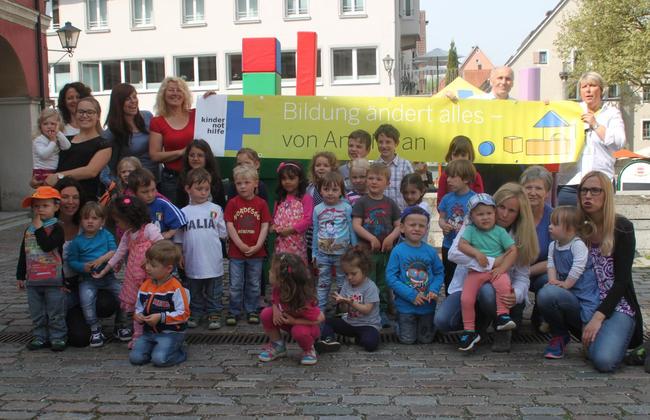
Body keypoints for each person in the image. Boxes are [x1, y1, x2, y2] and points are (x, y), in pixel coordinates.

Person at [537, 171, 643, 372]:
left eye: (595, 191)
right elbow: (555, 258)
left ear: (607, 195)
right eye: (584, 190)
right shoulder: (577, 228)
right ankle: (562, 335)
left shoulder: (622, 228)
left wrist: (598, 317)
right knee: (547, 292)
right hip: (583, 299)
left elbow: (622, 282)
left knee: (603, 361)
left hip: (615, 306)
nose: (588, 196)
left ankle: (617, 343)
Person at [435, 183, 539, 353]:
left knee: (488, 291)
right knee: (442, 321)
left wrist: (517, 295)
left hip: (501, 291)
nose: (504, 214)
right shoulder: (473, 223)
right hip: (471, 284)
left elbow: (522, 276)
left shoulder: (520, 235)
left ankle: (503, 327)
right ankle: (478, 324)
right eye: (501, 207)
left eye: (511, 211)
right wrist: (490, 262)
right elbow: (454, 253)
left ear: (520, 214)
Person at [94, 195, 163, 348]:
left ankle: (155, 333)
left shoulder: (149, 229)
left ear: (129, 218)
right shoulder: (127, 235)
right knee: (137, 308)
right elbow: (119, 253)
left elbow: (162, 245)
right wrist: (105, 269)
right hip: (133, 278)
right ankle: (138, 336)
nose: (117, 224)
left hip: (150, 278)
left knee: (152, 306)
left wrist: (150, 257)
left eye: (118, 221)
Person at [457, 194, 518, 351]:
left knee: (504, 284)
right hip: (476, 272)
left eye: (489, 213)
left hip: (494, 271)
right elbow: (462, 245)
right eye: (480, 214)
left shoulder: (499, 232)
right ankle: (469, 331)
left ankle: (502, 316)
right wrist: (477, 254)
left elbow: (513, 250)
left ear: (494, 214)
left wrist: (502, 268)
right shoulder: (471, 230)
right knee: (466, 299)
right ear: (472, 216)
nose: (485, 217)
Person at [557, 72, 626, 206]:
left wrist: (595, 125)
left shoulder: (612, 113)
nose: (588, 90)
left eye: (593, 85)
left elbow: (619, 143)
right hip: (570, 182)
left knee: (597, 225)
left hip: (600, 183)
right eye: (584, 87)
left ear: (601, 90)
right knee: (567, 225)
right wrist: (546, 106)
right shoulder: (571, 111)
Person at [541, 206, 600, 359]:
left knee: (588, 315)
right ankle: (559, 333)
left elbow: (578, 267)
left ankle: (588, 338)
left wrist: (567, 284)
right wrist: (552, 280)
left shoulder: (577, 244)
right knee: (546, 294)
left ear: (570, 229)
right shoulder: (553, 245)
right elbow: (551, 264)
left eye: (555, 224)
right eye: (550, 223)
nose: (550, 226)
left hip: (584, 290)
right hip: (568, 288)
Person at [67, 202, 127, 347]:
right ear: (81, 221)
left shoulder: (106, 235)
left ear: (102, 221)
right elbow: (71, 260)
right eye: (86, 218)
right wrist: (83, 267)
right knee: (86, 301)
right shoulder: (77, 241)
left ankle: (120, 325)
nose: (90, 221)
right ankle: (94, 328)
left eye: (94, 218)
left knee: (124, 296)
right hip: (87, 279)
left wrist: (101, 260)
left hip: (108, 277)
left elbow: (114, 251)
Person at [174, 168, 227, 330]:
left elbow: (223, 233)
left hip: (213, 259)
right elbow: (178, 238)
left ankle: (214, 312)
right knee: (194, 288)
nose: (203, 192)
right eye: (199, 189)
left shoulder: (215, 209)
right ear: (187, 188)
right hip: (193, 259)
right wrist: (179, 255)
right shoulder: (183, 212)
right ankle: (196, 312)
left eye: (206, 189)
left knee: (214, 289)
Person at [16, 186, 67, 351]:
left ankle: (58, 337)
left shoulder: (58, 228)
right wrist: (20, 275)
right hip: (33, 280)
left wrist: (39, 229)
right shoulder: (29, 230)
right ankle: (39, 336)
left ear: (56, 207)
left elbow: (48, 245)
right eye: (37, 206)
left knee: (55, 312)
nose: (40, 210)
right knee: (37, 312)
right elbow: (24, 253)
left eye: (45, 206)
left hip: (53, 280)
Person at [352, 162, 401, 324]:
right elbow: (356, 225)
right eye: (370, 178)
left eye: (378, 179)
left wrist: (390, 238)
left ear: (387, 183)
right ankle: (369, 311)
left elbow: (399, 225)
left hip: (385, 253)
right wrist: (371, 238)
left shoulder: (390, 203)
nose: (373, 181)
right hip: (367, 254)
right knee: (368, 282)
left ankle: (383, 311)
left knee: (384, 282)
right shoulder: (361, 203)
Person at [387, 206, 444, 344]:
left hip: (427, 305)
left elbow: (439, 272)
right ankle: (397, 325)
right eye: (412, 225)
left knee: (426, 340)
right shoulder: (398, 251)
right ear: (402, 228)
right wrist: (411, 295)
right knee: (408, 340)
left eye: (421, 226)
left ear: (426, 229)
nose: (417, 228)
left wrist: (434, 289)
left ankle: (433, 326)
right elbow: (391, 278)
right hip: (406, 306)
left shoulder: (430, 251)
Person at [129, 240, 190, 367]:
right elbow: (139, 308)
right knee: (136, 358)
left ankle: (179, 352)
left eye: (153, 265)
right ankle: (158, 349)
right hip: (149, 333)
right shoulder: (145, 285)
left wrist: (161, 317)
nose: (147, 268)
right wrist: (138, 316)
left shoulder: (176, 288)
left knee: (159, 360)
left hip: (171, 334)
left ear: (168, 269)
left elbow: (184, 314)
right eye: (147, 263)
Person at [224, 165, 271, 326]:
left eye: (246, 182)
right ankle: (234, 310)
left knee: (254, 283)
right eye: (238, 183)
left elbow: (265, 225)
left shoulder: (261, 204)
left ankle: (252, 309)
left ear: (255, 183)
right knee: (235, 284)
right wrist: (240, 244)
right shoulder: (232, 203)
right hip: (237, 252)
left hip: (256, 253)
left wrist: (258, 245)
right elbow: (229, 225)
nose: (242, 186)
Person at [258, 253, 324, 366]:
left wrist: (294, 321)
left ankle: (309, 349)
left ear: (282, 279)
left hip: (307, 327)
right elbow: (275, 300)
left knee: (298, 331)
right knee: (266, 314)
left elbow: (320, 318)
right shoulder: (278, 288)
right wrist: (275, 310)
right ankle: (277, 345)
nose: (269, 272)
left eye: (272, 271)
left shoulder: (303, 301)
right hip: (287, 320)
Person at [315, 246, 382, 353]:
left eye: (353, 273)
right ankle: (329, 340)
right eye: (346, 274)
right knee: (325, 321)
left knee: (370, 344)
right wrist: (341, 302)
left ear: (364, 271)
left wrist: (350, 301)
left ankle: (361, 338)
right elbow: (344, 310)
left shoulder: (371, 287)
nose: (349, 277)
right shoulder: (347, 284)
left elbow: (367, 310)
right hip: (350, 322)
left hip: (367, 325)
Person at [44, 97, 112, 200]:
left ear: (98, 116)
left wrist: (58, 176)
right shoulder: (64, 140)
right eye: (81, 112)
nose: (85, 115)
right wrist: (40, 178)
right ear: (75, 115)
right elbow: (48, 162)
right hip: (57, 198)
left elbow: (90, 171)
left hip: (84, 199)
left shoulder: (103, 144)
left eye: (90, 112)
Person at [470, 67, 523, 195]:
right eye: (500, 78)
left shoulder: (520, 106)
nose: (504, 82)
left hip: (509, 167)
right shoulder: (475, 103)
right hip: (482, 165)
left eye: (508, 79)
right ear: (491, 80)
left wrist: (545, 106)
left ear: (513, 83)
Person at [311, 171, 356, 313]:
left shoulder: (347, 208)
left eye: (334, 189)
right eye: (326, 189)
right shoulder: (317, 209)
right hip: (323, 254)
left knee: (343, 283)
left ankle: (342, 311)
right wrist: (314, 252)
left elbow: (351, 229)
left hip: (342, 254)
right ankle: (321, 311)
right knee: (323, 283)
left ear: (341, 191)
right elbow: (315, 232)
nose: (330, 193)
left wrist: (354, 248)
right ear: (320, 191)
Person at [148, 77, 197, 204]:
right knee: (175, 219)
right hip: (172, 179)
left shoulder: (197, 114)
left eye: (179, 90)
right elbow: (154, 155)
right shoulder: (157, 122)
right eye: (171, 90)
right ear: (163, 94)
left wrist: (212, 99)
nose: (175, 93)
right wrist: (182, 152)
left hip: (198, 176)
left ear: (185, 94)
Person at [520, 165, 554, 331]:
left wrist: (528, 272)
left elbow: (555, 259)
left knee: (550, 280)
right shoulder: (514, 213)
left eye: (538, 188)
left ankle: (541, 312)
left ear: (547, 192)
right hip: (513, 272)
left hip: (541, 272)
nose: (532, 192)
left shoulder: (554, 217)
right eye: (528, 188)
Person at [103, 83, 157, 184]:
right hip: (134, 185)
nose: (133, 101)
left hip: (156, 179)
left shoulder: (147, 116)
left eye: (135, 97)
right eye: (128, 99)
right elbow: (109, 167)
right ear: (118, 103)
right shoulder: (112, 132)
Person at [438, 159, 477, 294]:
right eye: (447, 176)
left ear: (466, 179)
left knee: (466, 278)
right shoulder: (447, 198)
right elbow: (441, 218)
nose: (448, 180)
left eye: (453, 177)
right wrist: (443, 225)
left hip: (467, 249)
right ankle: (450, 302)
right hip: (448, 245)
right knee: (449, 276)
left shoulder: (475, 199)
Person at [127, 168, 187, 240]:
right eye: (145, 192)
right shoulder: (132, 207)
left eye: (153, 190)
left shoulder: (162, 203)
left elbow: (181, 219)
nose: (150, 195)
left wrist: (169, 233)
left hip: (161, 247)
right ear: (133, 193)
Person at [272, 161, 313, 264]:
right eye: (284, 179)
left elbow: (308, 220)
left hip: (297, 242)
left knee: (296, 270)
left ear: (299, 180)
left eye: (291, 178)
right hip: (281, 242)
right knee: (281, 268)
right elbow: (274, 217)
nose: (287, 182)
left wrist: (291, 230)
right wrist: (273, 227)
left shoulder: (305, 198)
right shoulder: (280, 199)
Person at [373, 124, 414, 211]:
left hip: (402, 214)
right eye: (380, 142)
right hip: (380, 215)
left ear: (396, 143)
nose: (384, 146)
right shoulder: (373, 166)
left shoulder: (405, 165)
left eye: (388, 142)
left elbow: (412, 190)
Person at [176, 139, 226, 209]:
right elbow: (179, 205)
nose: (195, 158)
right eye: (192, 155)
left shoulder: (215, 179)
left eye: (200, 155)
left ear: (207, 157)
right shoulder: (183, 179)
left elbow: (221, 205)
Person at [436, 135, 484, 204]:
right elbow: (440, 202)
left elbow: (480, 201)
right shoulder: (445, 176)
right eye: (455, 155)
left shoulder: (475, 176)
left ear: (470, 157)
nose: (459, 158)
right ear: (450, 156)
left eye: (463, 155)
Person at [31, 108, 71, 185]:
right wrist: (53, 142)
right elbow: (44, 155)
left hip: (53, 172)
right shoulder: (39, 140)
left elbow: (67, 146)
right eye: (45, 124)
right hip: (41, 172)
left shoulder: (57, 137)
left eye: (53, 124)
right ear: (40, 126)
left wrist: (58, 132)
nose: (49, 126)